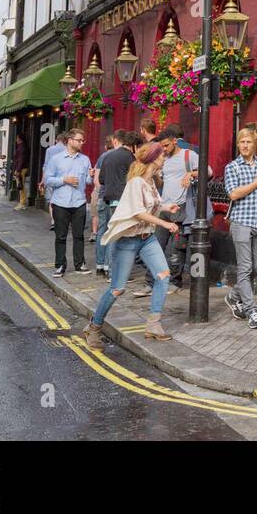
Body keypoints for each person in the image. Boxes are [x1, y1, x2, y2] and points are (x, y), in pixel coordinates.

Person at [83, 142, 181, 349]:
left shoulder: (151, 182)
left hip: (147, 238)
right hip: (128, 241)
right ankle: (94, 327)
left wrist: (165, 207)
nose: (164, 157)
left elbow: (150, 205)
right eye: (162, 155)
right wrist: (165, 222)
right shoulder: (136, 182)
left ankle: (153, 325)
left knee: (163, 277)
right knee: (117, 289)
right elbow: (137, 212)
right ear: (153, 158)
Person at [144, 125, 204, 295]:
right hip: (164, 208)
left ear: (175, 142)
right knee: (155, 245)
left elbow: (207, 171)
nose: (164, 149)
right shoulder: (163, 159)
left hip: (181, 207)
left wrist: (191, 174)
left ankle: (174, 282)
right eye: (161, 146)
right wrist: (155, 174)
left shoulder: (188, 155)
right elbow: (163, 184)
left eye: (166, 146)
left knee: (177, 248)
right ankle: (150, 282)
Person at [223, 127, 257, 330]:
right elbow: (233, 194)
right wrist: (255, 183)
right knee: (245, 268)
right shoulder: (232, 167)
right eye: (241, 142)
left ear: (254, 144)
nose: (244, 145)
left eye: (248, 142)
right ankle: (251, 311)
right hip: (241, 222)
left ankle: (233, 296)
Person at [43, 129, 92, 276]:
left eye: (83, 140)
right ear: (70, 140)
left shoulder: (85, 160)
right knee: (60, 236)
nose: (81, 143)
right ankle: (60, 265)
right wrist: (64, 180)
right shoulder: (56, 159)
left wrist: (91, 176)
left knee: (79, 235)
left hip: (79, 202)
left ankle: (79, 264)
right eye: (79, 140)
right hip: (60, 203)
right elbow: (47, 180)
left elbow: (88, 182)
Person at [93, 131, 136, 278]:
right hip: (124, 201)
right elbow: (135, 179)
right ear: (133, 146)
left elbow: (102, 179)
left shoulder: (108, 156)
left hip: (110, 200)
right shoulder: (129, 157)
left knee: (110, 233)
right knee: (120, 236)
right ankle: (113, 271)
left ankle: (106, 267)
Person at [12, 133, 30, 209]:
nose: (16, 140)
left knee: (20, 185)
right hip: (22, 168)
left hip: (21, 169)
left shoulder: (22, 148)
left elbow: (21, 160)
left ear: (20, 139)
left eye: (17, 138)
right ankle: (22, 202)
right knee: (20, 185)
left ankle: (22, 203)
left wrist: (18, 170)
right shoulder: (22, 147)